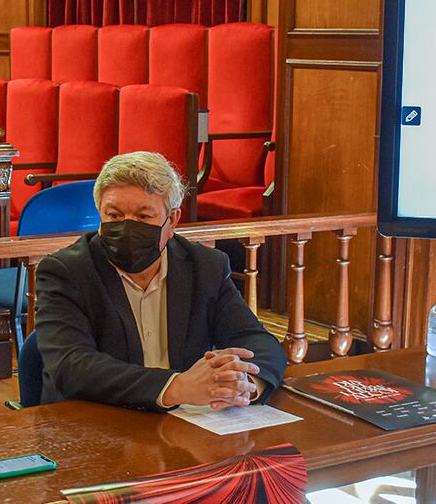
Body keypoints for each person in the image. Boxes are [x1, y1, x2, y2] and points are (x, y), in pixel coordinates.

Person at [35, 151, 286, 410]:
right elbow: (70, 365)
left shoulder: (205, 266)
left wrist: (244, 383)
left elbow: (257, 341)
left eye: (144, 217)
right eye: (114, 215)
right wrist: (175, 387)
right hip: (95, 420)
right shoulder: (66, 271)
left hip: (184, 422)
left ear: (173, 220)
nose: (126, 227)